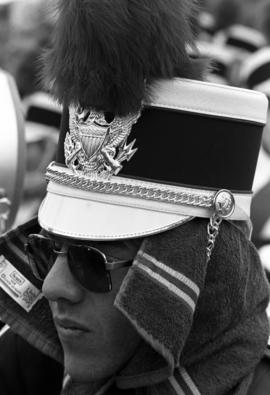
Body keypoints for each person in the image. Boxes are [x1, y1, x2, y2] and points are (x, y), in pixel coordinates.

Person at [0, 1, 270, 394]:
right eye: (46, 250)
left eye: (90, 261)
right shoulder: (38, 361)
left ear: (192, 272)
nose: (52, 287)